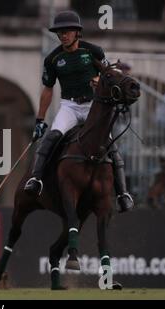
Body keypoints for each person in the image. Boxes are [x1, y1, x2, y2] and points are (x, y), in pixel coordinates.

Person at [23, 11, 134, 213]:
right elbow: (48, 90)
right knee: (52, 136)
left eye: (66, 31)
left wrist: (100, 81)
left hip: (93, 105)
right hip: (69, 106)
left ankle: (122, 194)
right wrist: (40, 119)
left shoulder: (94, 51)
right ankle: (36, 179)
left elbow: (109, 76)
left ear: (77, 32)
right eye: (59, 32)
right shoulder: (52, 58)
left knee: (109, 143)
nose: (63, 35)